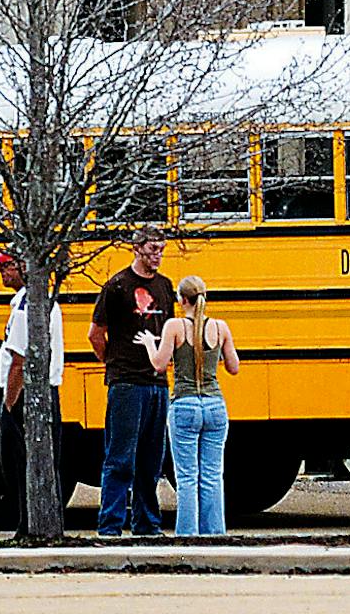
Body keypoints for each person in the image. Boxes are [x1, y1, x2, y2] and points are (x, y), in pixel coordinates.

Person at [88, 226, 175, 536]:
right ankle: (110, 524)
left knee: (152, 458)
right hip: (126, 381)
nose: (158, 256)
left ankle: (147, 523)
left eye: (161, 249)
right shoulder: (117, 286)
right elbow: (96, 333)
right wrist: (112, 362)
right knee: (120, 456)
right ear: (137, 249)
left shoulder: (165, 286)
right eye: (153, 249)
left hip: (157, 381)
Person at [138, 274, 240, 537]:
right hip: (215, 405)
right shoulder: (220, 328)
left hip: (184, 405)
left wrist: (151, 344)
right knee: (212, 475)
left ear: (182, 300)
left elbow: (159, 365)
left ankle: (187, 536)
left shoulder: (174, 326)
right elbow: (234, 367)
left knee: (186, 477)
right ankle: (215, 534)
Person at [0, 251, 70, 533]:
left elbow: (18, 361)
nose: (2, 271)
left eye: (7, 266)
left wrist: (9, 403)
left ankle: (29, 526)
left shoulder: (29, 307)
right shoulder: (37, 303)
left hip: (27, 394)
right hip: (43, 391)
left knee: (20, 464)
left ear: (24, 268)